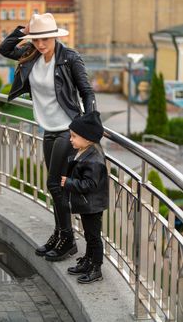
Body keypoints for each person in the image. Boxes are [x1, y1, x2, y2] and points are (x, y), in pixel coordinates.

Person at [0, 13, 96, 261]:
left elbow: (86, 91)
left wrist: (90, 126)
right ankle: (60, 234)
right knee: (54, 187)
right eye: (36, 39)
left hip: (67, 129)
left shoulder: (69, 58)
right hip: (48, 130)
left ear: (55, 35)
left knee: (55, 183)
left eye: (45, 39)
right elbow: (3, 48)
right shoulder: (31, 55)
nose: (41, 44)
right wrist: (24, 30)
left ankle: (68, 240)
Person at [61, 111, 109, 283]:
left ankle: (96, 268)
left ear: (88, 138)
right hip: (88, 204)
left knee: (94, 237)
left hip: (93, 205)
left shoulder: (94, 160)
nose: (70, 139)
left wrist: (68, 183)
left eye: (74, 136)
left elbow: (89, 185)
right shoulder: (85, 150)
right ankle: (88, 261)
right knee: (89, 235)